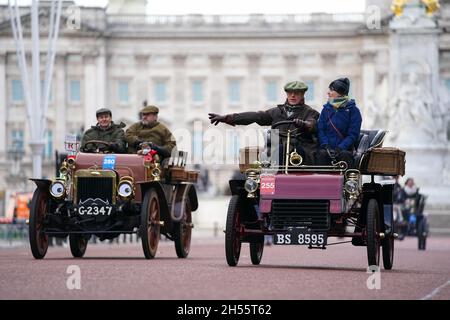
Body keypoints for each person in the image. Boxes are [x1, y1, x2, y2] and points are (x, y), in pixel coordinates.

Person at [208, 81, 319, 165]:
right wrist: (227, 118)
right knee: (274, 151)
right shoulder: (276, 112)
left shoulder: (310, 112)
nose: (293, 96)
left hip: (302, 152)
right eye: (290, 93)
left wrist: (304, 124)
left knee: (291, 150)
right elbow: (255, 116)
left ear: (303, 95)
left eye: (296, 93)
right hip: (278, 153)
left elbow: (312, 124)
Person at [316, 78, 362, 169]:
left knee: (345, 156)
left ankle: (347, 183)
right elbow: (320, 129)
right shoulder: (326, 109)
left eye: (331, 90)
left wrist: (340, 148)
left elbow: (353, 134)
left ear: (340, 93)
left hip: (344, 150)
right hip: (326, 149)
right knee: (321, 154)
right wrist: (326, 146)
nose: (328, 92)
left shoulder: (353, 111)